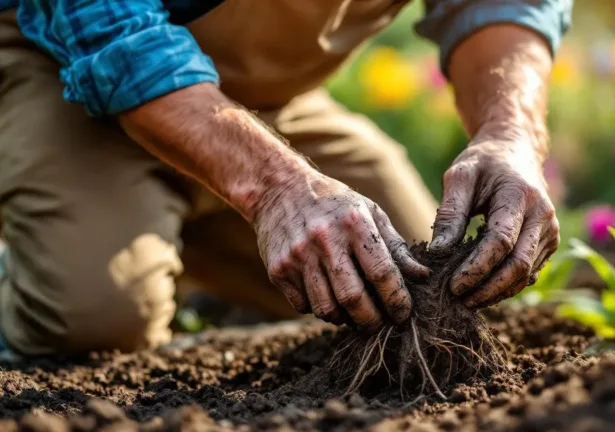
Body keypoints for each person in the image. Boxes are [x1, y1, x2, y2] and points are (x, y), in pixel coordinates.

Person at [0, 0, 569, 356]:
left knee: (421, 284)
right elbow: (109, 28)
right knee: (92, 318)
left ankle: (176, 235)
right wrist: (275, 188)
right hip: (55, 74)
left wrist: (508, 133)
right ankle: (28, 256)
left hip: (258, 105)